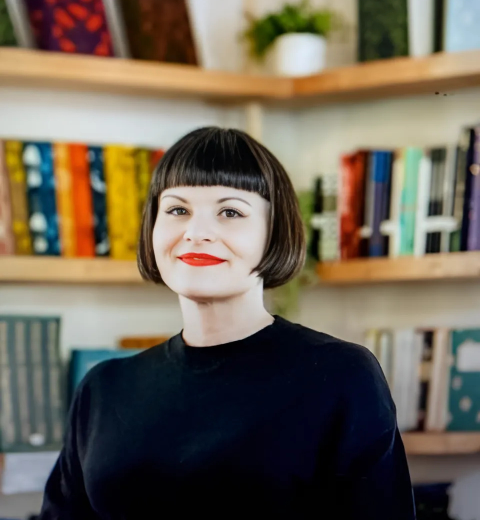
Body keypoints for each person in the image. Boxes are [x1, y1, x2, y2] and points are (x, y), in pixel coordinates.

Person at [39, 127, 415, 519]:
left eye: (230, 212)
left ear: (273, 233)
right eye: (177, 210)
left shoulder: (341, 375)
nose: (197, 233)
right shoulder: (103, 390)